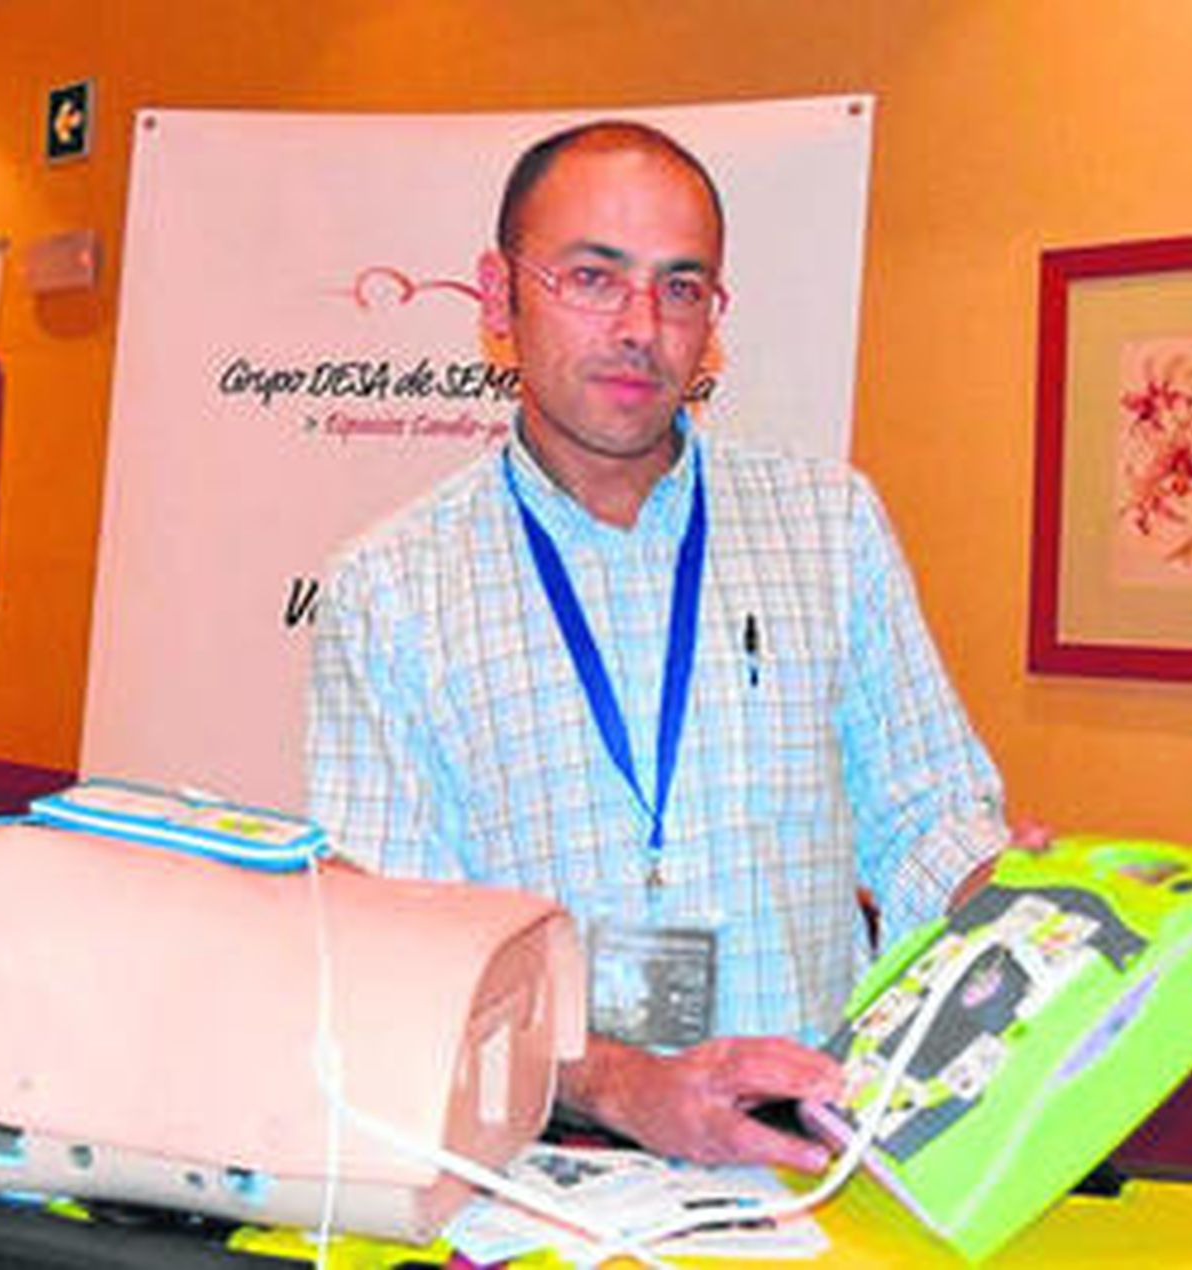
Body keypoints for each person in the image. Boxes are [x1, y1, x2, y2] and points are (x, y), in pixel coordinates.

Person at [306, 121, 1011, 1170]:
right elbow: (403, 945)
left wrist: (1019, 893)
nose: (641, 325)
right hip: (545, 1158)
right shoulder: (390, 591)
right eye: (593, 276)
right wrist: (623, 1082)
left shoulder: (829, 524)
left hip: (817, 1149)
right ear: (499, 301)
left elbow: (924, 812)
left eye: (681, 287)